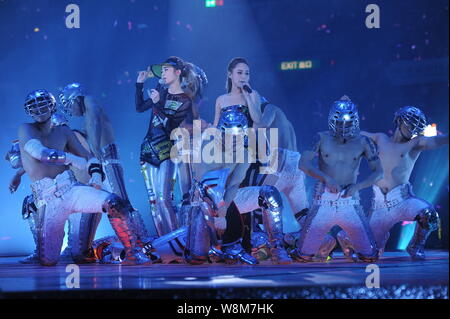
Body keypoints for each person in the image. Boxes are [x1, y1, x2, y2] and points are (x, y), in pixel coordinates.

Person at [19, 89, 151, 266]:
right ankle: (43, 251)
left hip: (70, 188)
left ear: (52, 107)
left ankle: (134, 252)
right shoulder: (26, 128)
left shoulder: (65, 132)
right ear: (29, 111)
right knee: (48, 259)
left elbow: (89, 158)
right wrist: (74, 159)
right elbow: (41, 154)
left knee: (115, 203)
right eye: (34, 108)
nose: (39, 111)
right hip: (47, 197)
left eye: (42, 106)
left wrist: (96, 174)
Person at [294, 96, 383, 262]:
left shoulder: (364, 142)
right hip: (323, 200)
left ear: (355, 120)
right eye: (339, 122)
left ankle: (346, 238)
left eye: (348, 122)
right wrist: (326, 178)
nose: (343, 126)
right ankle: (290, 240)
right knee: (303, 256)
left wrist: (358, 186)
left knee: (370, 256)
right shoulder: (320, 137)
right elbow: (303, 164)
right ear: (331, 120)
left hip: (350, 200)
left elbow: (379, 172)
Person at [59, 83, 150, 246]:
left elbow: (95, 123)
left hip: (106, 155)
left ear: (74, 99)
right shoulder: (85, 116)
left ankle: (141, 241)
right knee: (101, 201)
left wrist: (94, 154)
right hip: (101, 158)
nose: (71, 112)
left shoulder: (89, 101)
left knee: (121, 200)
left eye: (69, 106)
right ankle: (84, 247)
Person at [359, 106, 447, 260]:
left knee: (429, 215)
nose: (413, 129)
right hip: (379, 206)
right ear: (399, 121)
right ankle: (376, 241)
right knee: (369, 252)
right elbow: (358, 135)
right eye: (410, 124)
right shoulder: (381, 138)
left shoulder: (415, 143)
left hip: (402, 201)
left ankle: (415, 245)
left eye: (416, 126)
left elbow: (434, 141)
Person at [135, 56, 196, 236]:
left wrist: (157, 103)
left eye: (166, 70)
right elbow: (139, 107)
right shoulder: (161, 92)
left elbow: (170, 126)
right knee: (153, 203)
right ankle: (165, 246)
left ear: (177, 73)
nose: (163, 73)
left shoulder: (185, 99)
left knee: (164, 199)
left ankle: (178, 241)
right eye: (161, 70)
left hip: (168, 151)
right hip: (148, 149)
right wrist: (139, 85)